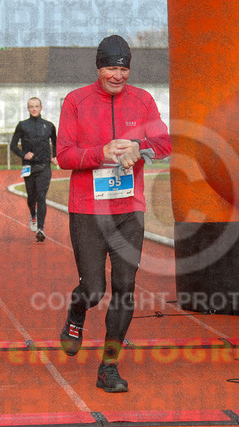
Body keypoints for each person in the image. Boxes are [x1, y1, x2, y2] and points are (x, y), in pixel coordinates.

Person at [56, 35, 171, 393]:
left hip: (128, 210)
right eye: (110, 68)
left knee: (124, 287)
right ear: (98, 68)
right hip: (88, 211)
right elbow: (64, 155)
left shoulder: (143, 100)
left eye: (123, 69)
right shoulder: (75, 101)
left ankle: (109, 366)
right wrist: (101, 152)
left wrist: (139, 146)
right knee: (93, 289)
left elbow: (165, 143)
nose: (117, 76)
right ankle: (77, 313)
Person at [10, 97, 58, 242]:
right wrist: (24, 154)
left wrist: (55, 156)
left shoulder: (49, 125)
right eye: (31, 106)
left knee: (41, 196)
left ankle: (40, 229)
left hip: (44, 166)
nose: (34, 109)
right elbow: (13, 145)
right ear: (28, 108)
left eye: (36, 106)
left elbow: (55, 142)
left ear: (41, 108)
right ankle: (33, 215)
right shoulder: (22, 125)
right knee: (32, 197)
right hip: (28, 167)